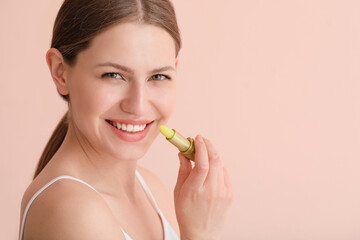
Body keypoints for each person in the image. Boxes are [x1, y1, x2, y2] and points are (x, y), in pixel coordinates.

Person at [19, 0, 233, 239]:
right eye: (113, 75)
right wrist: (200, 232)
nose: (138, 106)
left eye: (158, 76)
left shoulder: (152, 189)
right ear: (61, 72)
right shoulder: (71, 210)